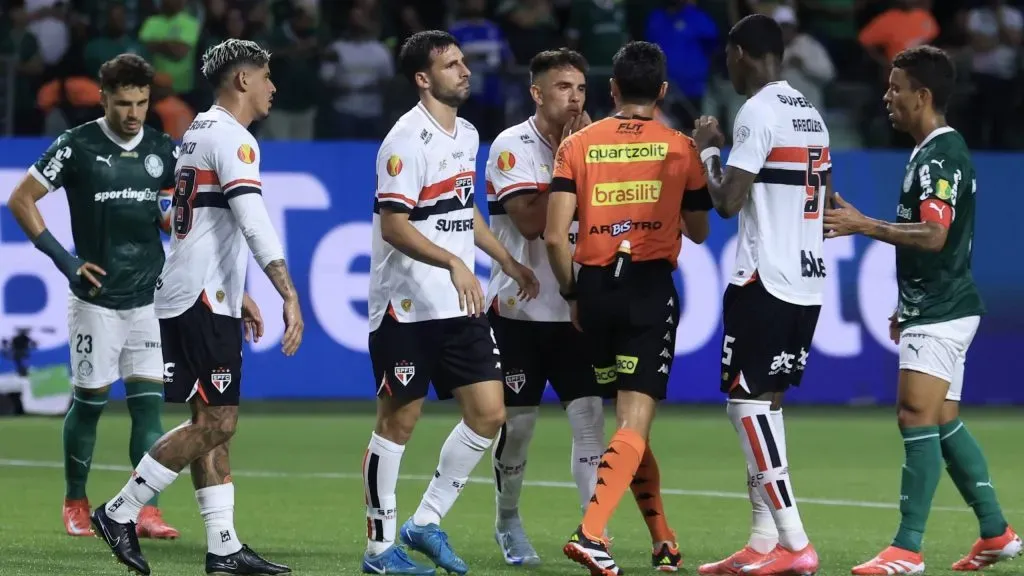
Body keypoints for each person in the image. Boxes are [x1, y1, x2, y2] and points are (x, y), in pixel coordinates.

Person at [90, 39, 304, 576]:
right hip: (202, 300)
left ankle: (224, 547)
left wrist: (243, 293)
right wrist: (288, 292)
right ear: (242, 81)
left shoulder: (197, 133)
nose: (273, 86)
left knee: (210, 418)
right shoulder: (234, 140)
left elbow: (202, 227)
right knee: (218, 421)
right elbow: (252, 222)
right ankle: (120, 511)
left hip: (198, 292)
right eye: (266, 75)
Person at [823, 45, 1021, 575]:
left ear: (923, 95)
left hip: (942, 308)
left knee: (914, 415)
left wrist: (866, 225)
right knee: (943, 420)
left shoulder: (938, 156)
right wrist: (904, 300)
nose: (888, 97)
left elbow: (934, 236)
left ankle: (907, 549)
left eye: (896, 87)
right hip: (940, 302)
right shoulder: (932, 152)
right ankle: (996, 532)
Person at [360, 30, 539, 576]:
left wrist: (503, 259)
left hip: (460, 306)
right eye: (451, 64)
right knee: (397, 425)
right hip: (407, 307)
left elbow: (461, 210)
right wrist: (455, 263)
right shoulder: (403, 141)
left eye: (463, 61)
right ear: (423, 78)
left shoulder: (465, 133)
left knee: (489, 415)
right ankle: (378, 550)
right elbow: (394, 226)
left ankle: (426, 522)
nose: (465, 70)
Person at [547, 40, 712, 576]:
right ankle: (591, 533)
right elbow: (702, 230)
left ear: (611, 89)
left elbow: (554, 237)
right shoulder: (680, 147)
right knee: (635, 421)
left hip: (592, 290)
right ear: (663, 91)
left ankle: (663, 537)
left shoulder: (577, 145)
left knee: (628, 425)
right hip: (647, 288)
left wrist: (574, 294)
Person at [7, 53, 180, 541]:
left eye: (142, 103)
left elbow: (169, 213)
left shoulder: (162, 148)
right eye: (123, 103)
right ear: (103, 98)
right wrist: (65, 260)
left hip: (147, 296)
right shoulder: (77, 145)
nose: (133, 114)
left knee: (149, 407)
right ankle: (76, 500)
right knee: (90, 404)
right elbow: (21, 199)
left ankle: (145, 510)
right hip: (95, 300)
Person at [691, 13, 827, 575]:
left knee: (745, 405)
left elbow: (725, 203)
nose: (726, 66)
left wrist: (706, 152)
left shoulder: (757, 112)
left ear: (743, 53)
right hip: (808, 277)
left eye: (728, 56)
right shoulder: (811, 114)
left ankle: (795, 544)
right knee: (767, 406)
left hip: (764, 278)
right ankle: (763, 541)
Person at [484, 47, 606, 567]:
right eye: (562, 88)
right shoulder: (511, 146)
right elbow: (534, 222)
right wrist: (570, 158)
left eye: (580, 88)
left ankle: (593, 533)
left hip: (577, 310)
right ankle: (508, 520)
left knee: (590, 421)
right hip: (521, 312)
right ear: (537, 92)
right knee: (520, 427)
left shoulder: (595, 143)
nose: (574, 98)